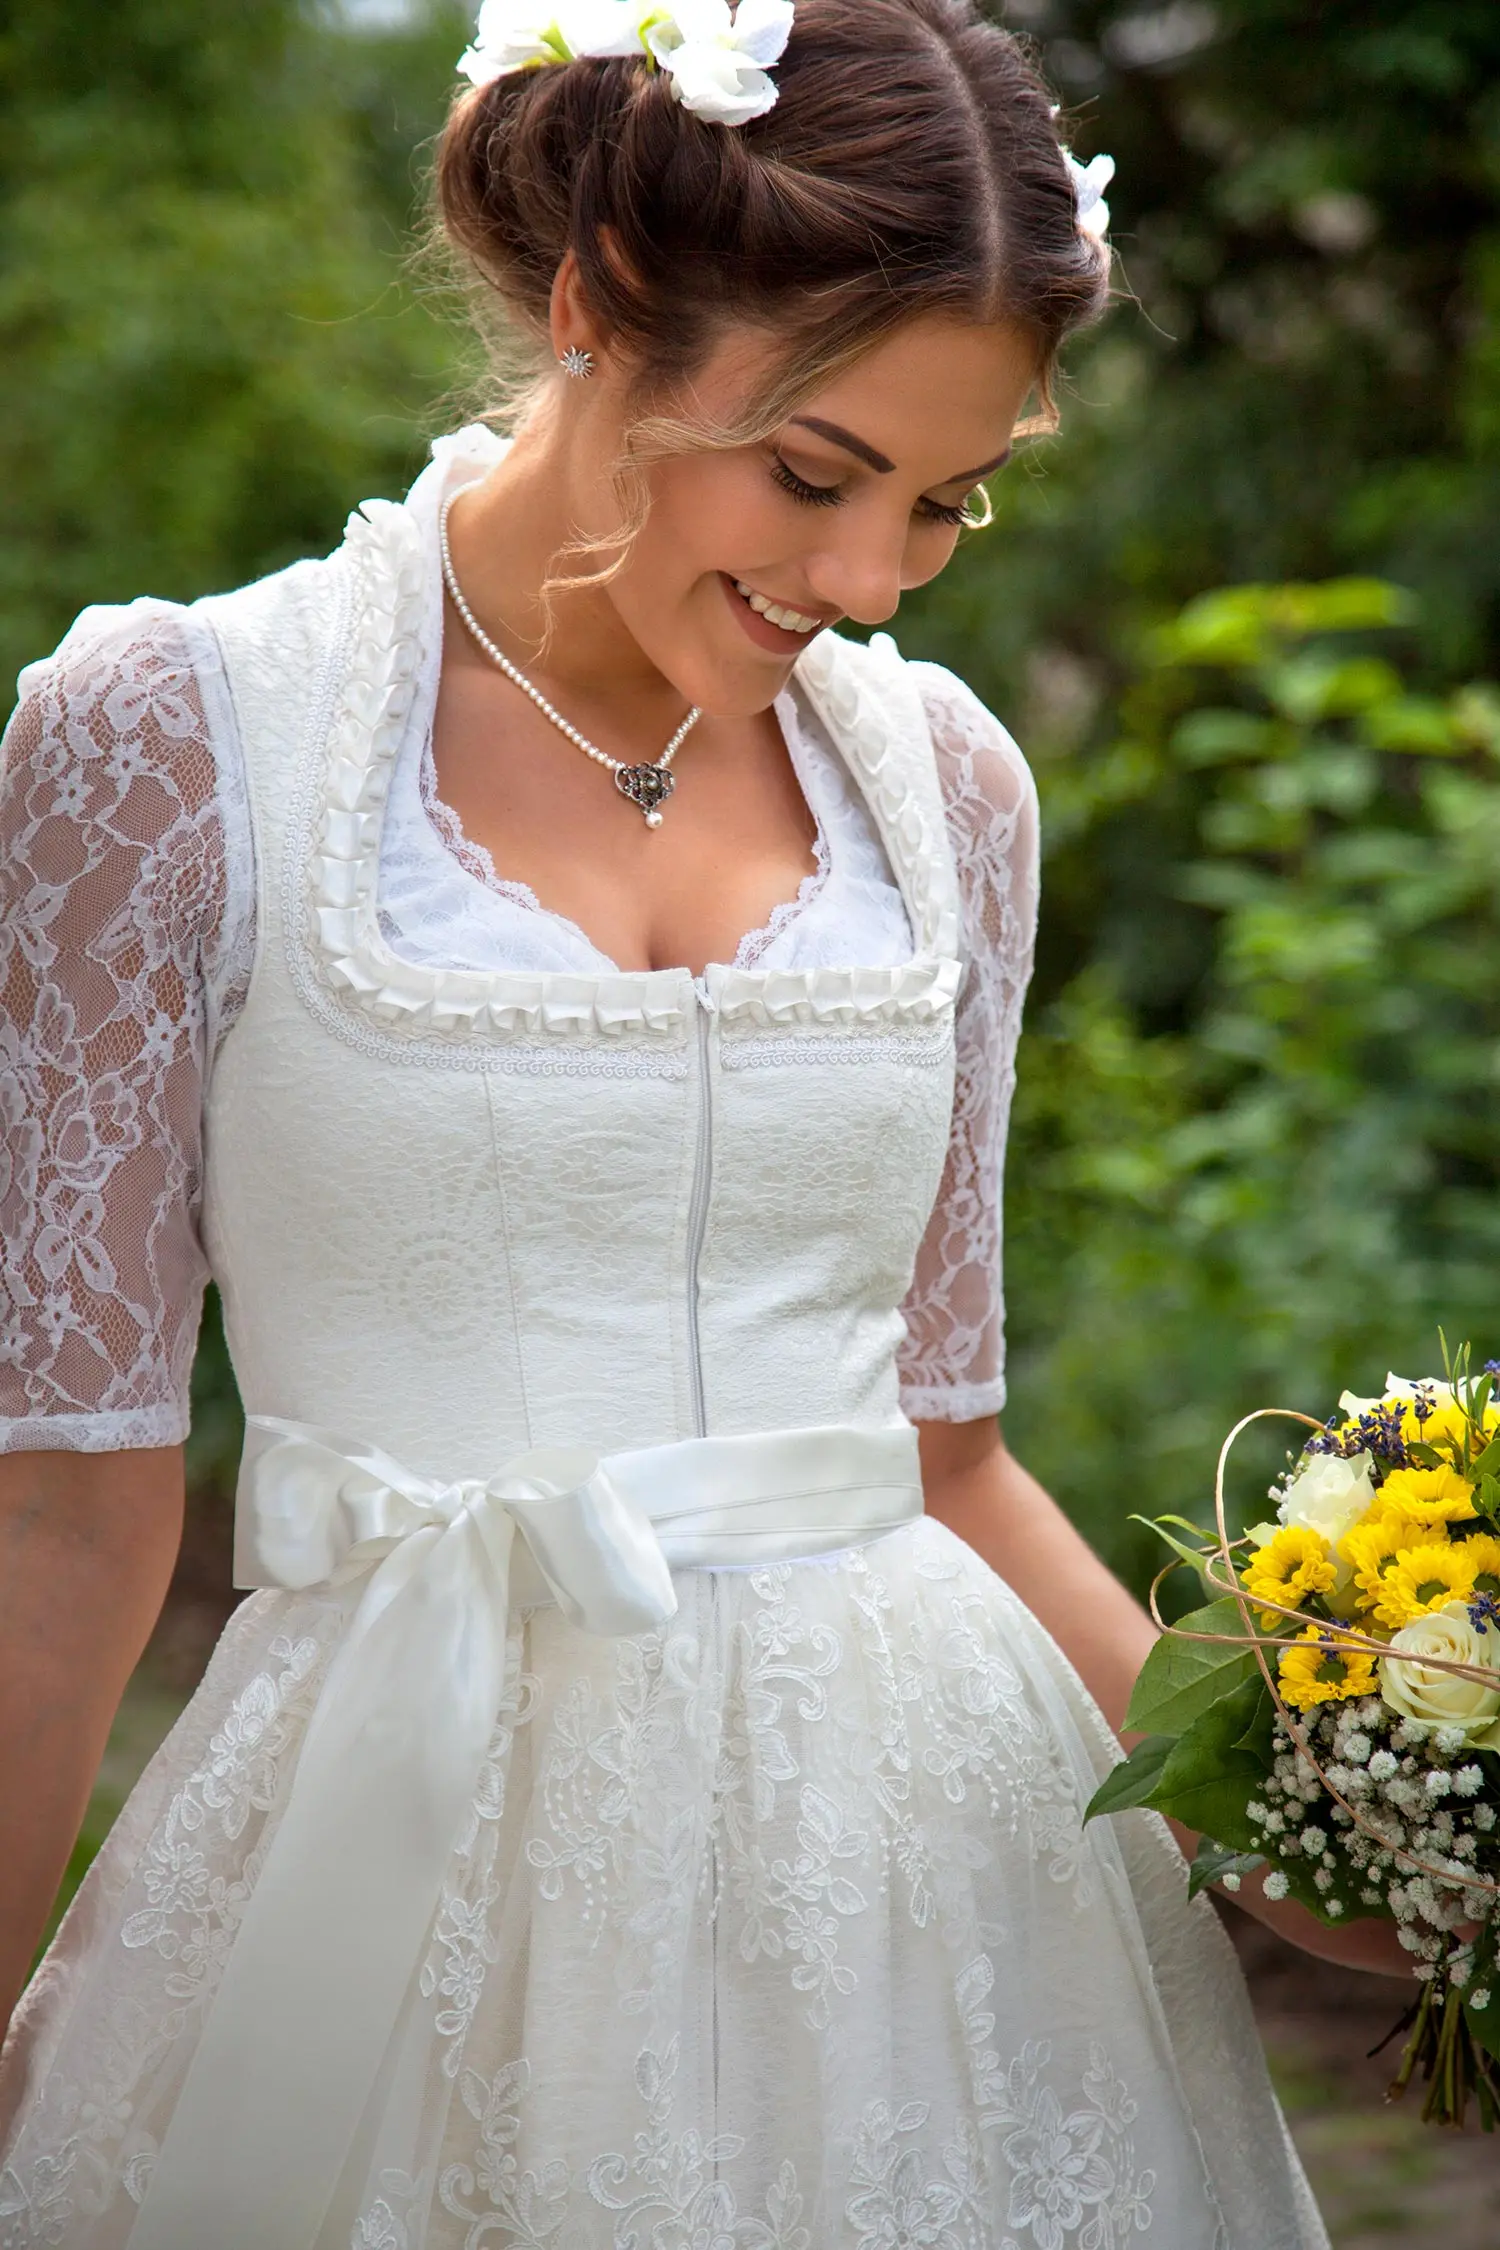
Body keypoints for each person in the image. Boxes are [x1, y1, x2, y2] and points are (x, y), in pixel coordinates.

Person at [0, 1, 1403, 2241]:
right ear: (595, 310)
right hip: (393, 1875)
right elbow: (66, 1522)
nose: (866, 583)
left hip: (937, 1907)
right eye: (817, 472)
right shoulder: (173, 747)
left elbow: (948, 1459)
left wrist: (1303, 1830)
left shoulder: (949, 788)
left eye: (950, 502)